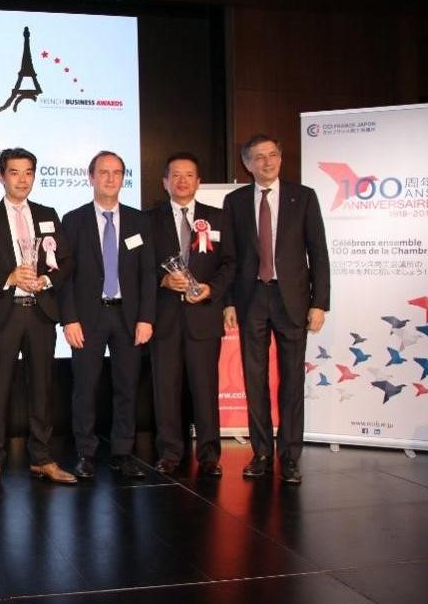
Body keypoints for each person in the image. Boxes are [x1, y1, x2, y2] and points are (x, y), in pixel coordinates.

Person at [0, 147, 76, 490]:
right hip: (4, 313)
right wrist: (9, 278)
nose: (23, 179)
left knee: (42, 390)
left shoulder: (47, 214)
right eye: (15, 172)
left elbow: (67, 261)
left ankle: (42, 458)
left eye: (28, 172)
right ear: (2, 177)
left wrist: (46, 280)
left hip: (41, 313)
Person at [223, 134, 330, 484]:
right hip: (251, 298)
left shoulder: (304, 197)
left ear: (280, 158)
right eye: (258, 157)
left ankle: (290, 455)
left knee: (292, 379)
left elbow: (318, 253)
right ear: (247, 163)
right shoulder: (235, 201)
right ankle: (261, 453)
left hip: (292, 300)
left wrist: (319, 302)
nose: (267, 162)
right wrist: (228, 301)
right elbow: (230, 258)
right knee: (254, 379)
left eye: (272, 155)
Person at [59, 150, 156, 480]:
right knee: (85, 389)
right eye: (104, 172)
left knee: (127, 387)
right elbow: (65, 277)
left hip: (128, 318)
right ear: (91, 177)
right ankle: (85, 454)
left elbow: (148, 274)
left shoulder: (140, 221)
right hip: (88, 318)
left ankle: (123, 452)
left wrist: (147, 318)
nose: (111, 178)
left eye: (117, 172)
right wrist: (69, 319)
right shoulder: (73, 220)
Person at [146, 153, 233, 478]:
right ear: (165, 182)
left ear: (198, 181)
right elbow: (139, 266)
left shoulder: (218, 218)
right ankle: (170, 453)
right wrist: (163, 280)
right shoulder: (147, 220)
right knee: (165, 390)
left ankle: (209, 455)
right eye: (176, 175)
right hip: (164, 318)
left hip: (204, 317)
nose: (182, 181)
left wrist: (212, 289)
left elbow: (231, 263)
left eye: (189, 175)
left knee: (205, 389)